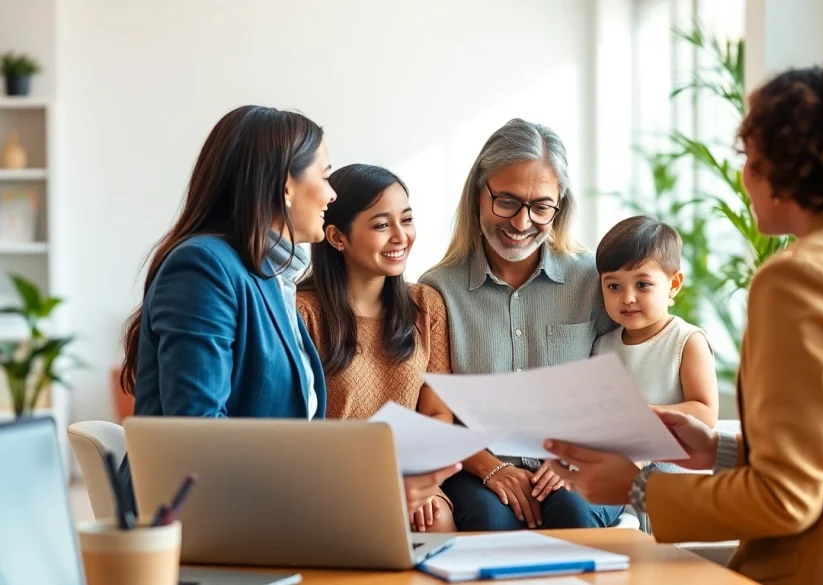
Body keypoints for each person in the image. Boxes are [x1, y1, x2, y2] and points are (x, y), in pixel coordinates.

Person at [542, 54, 823, 585]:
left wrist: (635, 490)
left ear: (791, 165)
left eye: (751, 159)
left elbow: (785, 501)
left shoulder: (802, 279)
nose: (744, 175)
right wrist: (717, 449)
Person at [118, 105, 459, 517]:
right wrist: (360, 488)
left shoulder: (271, 278)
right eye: (325, 175)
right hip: (208, 516)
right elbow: (199, 435)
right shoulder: (205, 266)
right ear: (286, 186)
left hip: (264, 509)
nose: (332, 194)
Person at [419, 118, 624, 531]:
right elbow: (435, 412)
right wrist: (492, 469)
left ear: (559, 205)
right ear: (479, 193)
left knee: (572, 512)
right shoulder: (437, 289)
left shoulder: (594, 280)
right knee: (488, 520)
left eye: (541, 206)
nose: (521, 222)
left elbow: (625, 384)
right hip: (479, 465)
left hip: (577, 458)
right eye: (507, 202)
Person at [296, 163, 456, 534]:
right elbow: (301, 431)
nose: (401, 236)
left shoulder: (425, 305)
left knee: (437, 521)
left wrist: (416, 480)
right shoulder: (304, 313)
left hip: (412, 471)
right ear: (337, 237)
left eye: (407, 220)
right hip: (334, 482)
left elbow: (437, 414)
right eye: (382, 225)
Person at [592, 215, 718, 428]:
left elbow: (705, 413)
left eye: (642, 284)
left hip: (672, 459)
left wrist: (641, 414)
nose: (627, 298)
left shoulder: (686, 341)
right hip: (619, 456)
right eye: (614, 286)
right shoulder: (601, 346)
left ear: (674, 284)